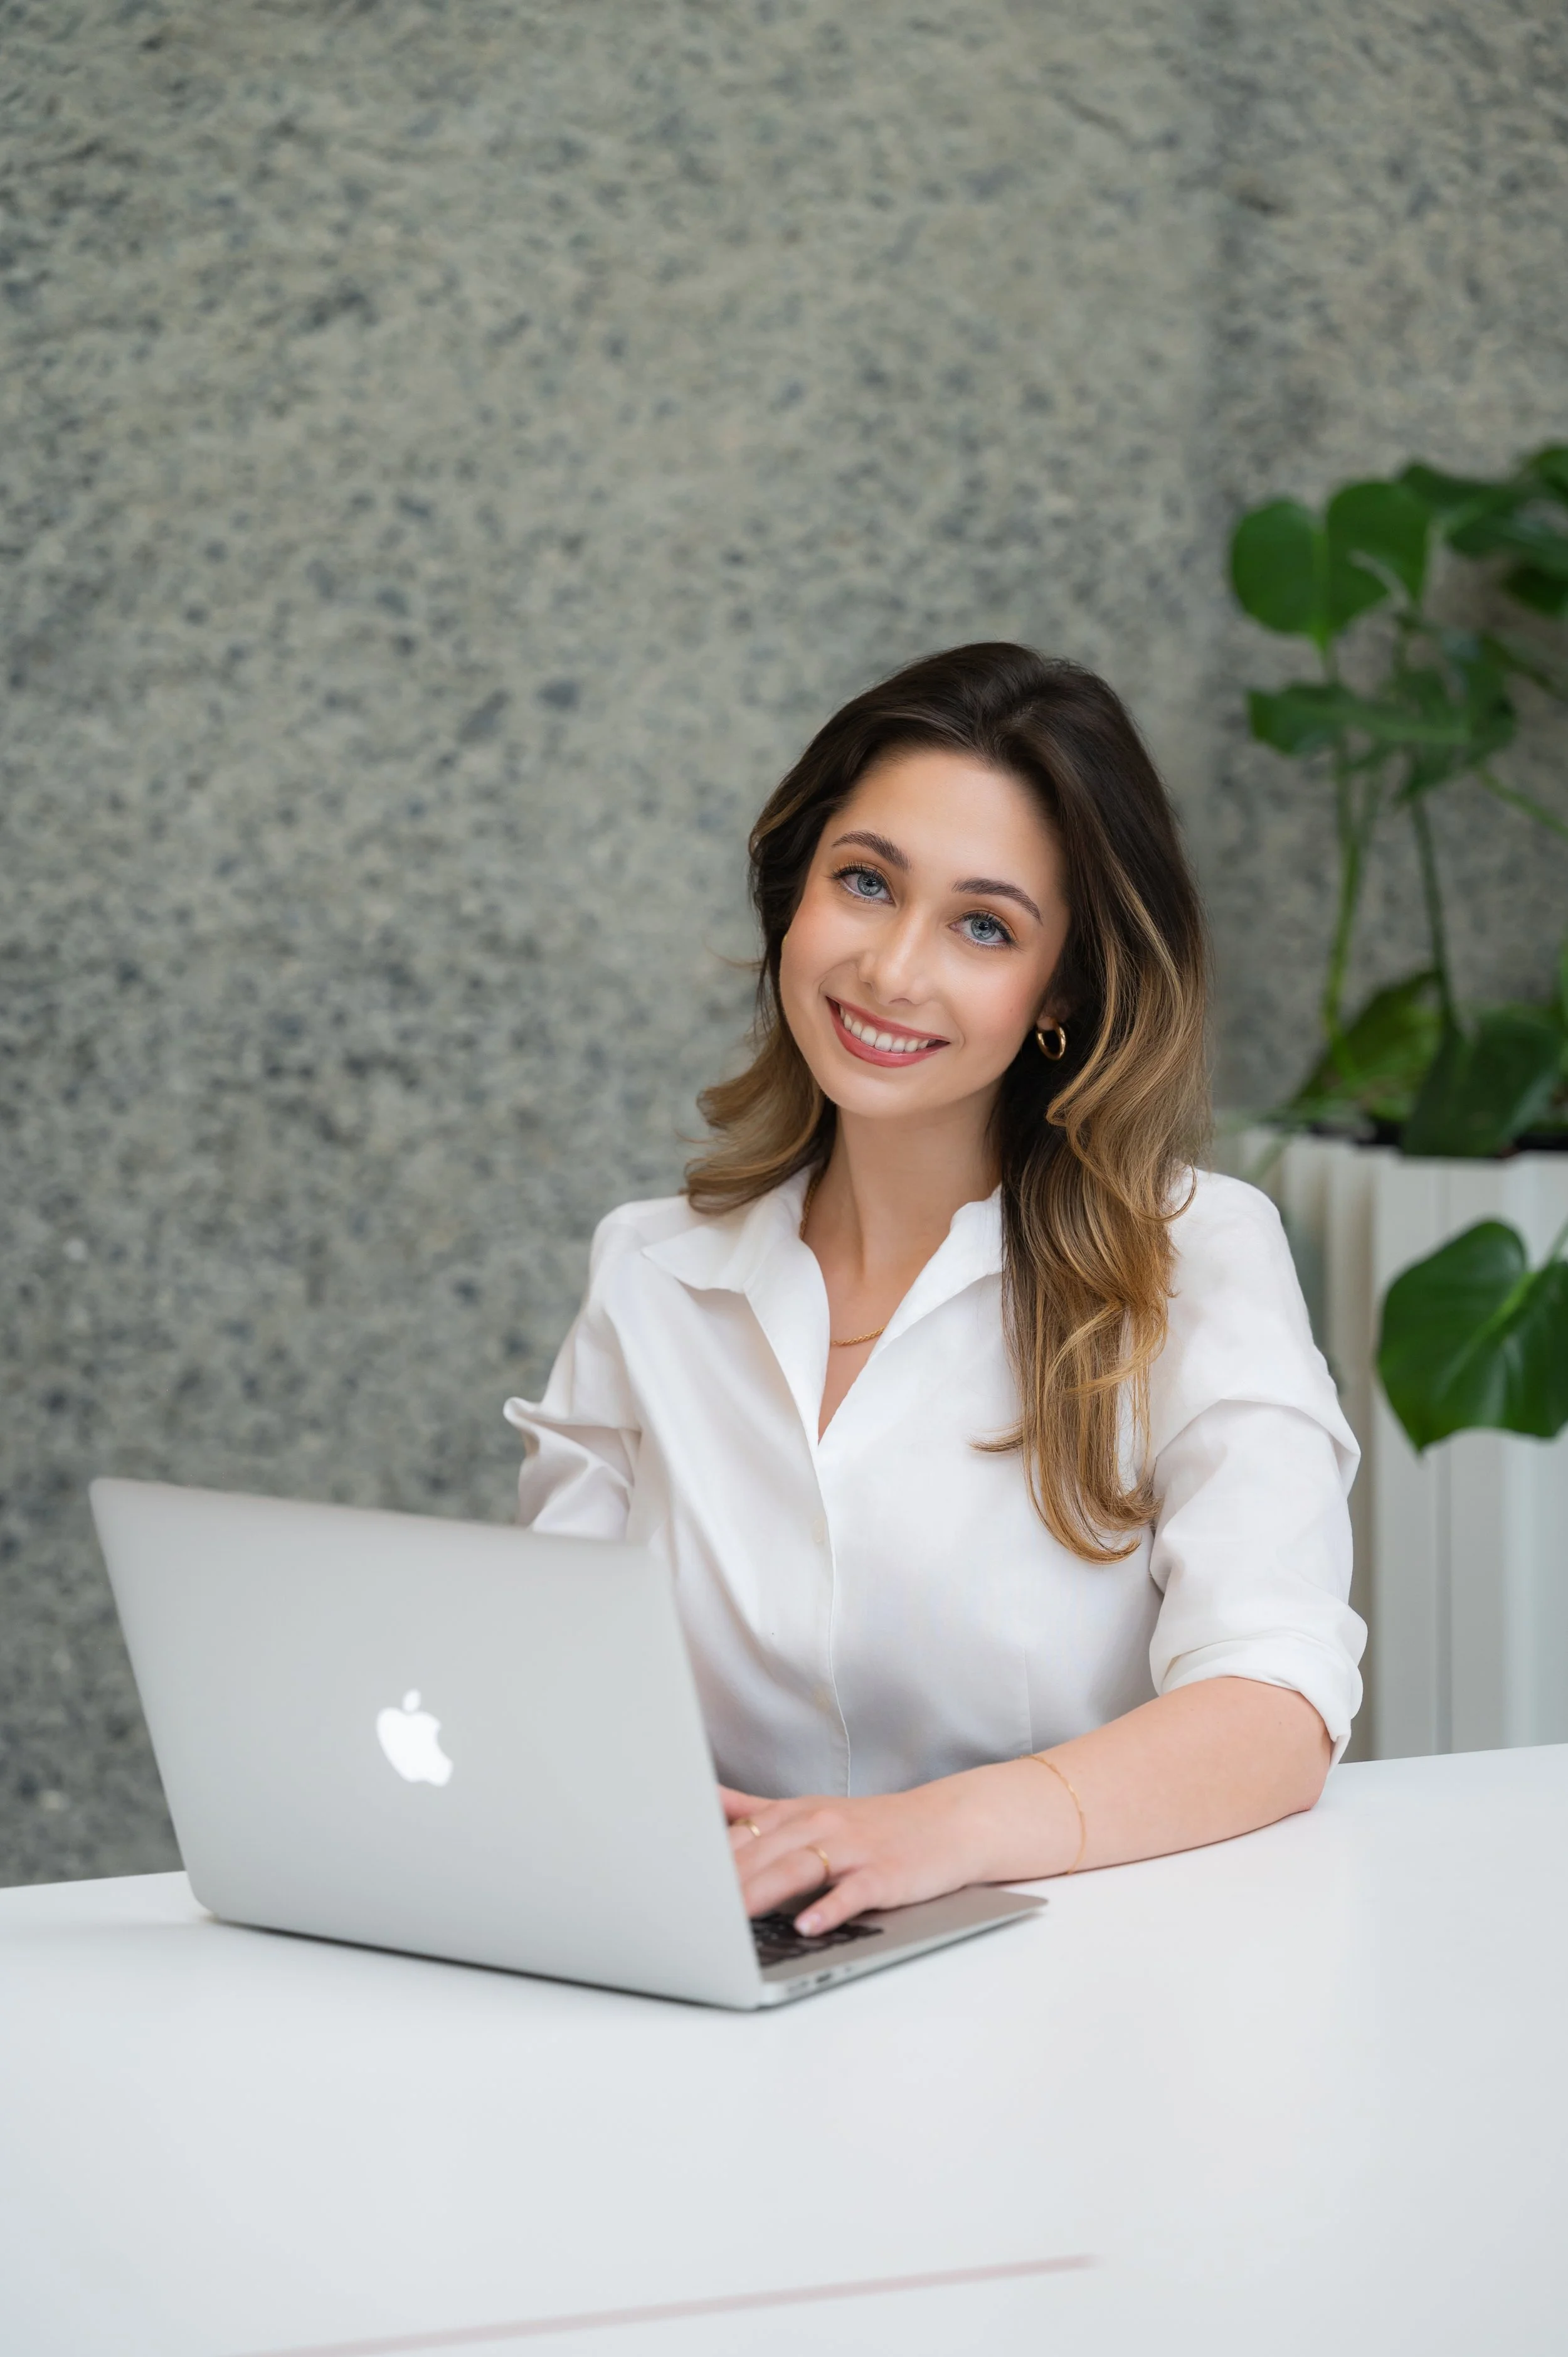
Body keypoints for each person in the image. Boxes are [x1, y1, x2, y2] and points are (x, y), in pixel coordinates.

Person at [505, 644, 1364, 1940]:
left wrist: (924, 1835)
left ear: (1061, 990)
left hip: (1086, 1984)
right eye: (864, 883)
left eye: (981, 926)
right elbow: (551, 1681)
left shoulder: (1193, 1259)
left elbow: (1273, 1706)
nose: (892, 971)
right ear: (794, 890)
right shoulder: (650, 1273)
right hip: (729, 1973)